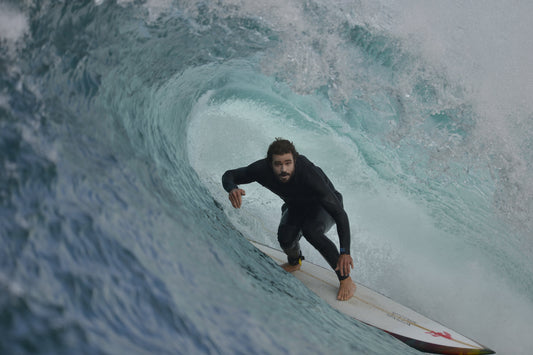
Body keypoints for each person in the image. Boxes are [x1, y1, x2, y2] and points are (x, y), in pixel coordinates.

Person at [222, 138, 356, 301]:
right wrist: (232, 188)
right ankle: (295, 262)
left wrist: (345, 251)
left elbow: (339, 213)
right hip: (296, 206)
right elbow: (230, 175)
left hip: (324, 207)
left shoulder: (308, 173)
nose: (283, 169)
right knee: (285, 238)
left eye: (288, 163)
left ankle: (345, 279)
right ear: (270, 163)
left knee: (311, 231)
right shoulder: (261, 169)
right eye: (278, 164)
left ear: (295, 160)